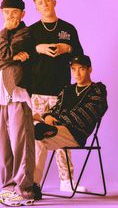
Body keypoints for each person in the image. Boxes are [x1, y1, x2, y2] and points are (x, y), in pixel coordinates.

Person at [29, 0, 86, 192]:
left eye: (47, 1)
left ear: (54, 2)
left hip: (61, 91)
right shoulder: (32, 31)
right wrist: (38, 48)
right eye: (40, 3)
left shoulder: (68, 29)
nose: (45, 5)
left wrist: (66, 48)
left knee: (61, 135)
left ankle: (67, 181)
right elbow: (22, 57)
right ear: (36, 7)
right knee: (36, 137)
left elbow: (81, 55)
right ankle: (33, 183)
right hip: (37, 92)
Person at [0, 0, 40, 206]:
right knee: (3, 145)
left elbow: (3, 53)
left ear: (22, 14)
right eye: (6, 13)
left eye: (14, 13)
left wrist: (5, 35)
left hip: (17, 94)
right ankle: (9, 188)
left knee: (21, 143)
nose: (10, 17)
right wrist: (10, 58)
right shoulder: (3, 36)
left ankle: (24, 190)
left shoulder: (25, 33)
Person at [34, 55, 108, 188]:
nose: (77, 73)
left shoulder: (97, 90)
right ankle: (32, 185)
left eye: (81, 69)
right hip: (57, 131)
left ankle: (45, 129)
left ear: (89, 70)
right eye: (73, 69)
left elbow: (84, 115)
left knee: (39, 131)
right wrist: (47, 117)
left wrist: (56, 120)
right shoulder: (67, 90)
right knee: (36, 136)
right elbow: (55, 109)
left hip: (76, 133)